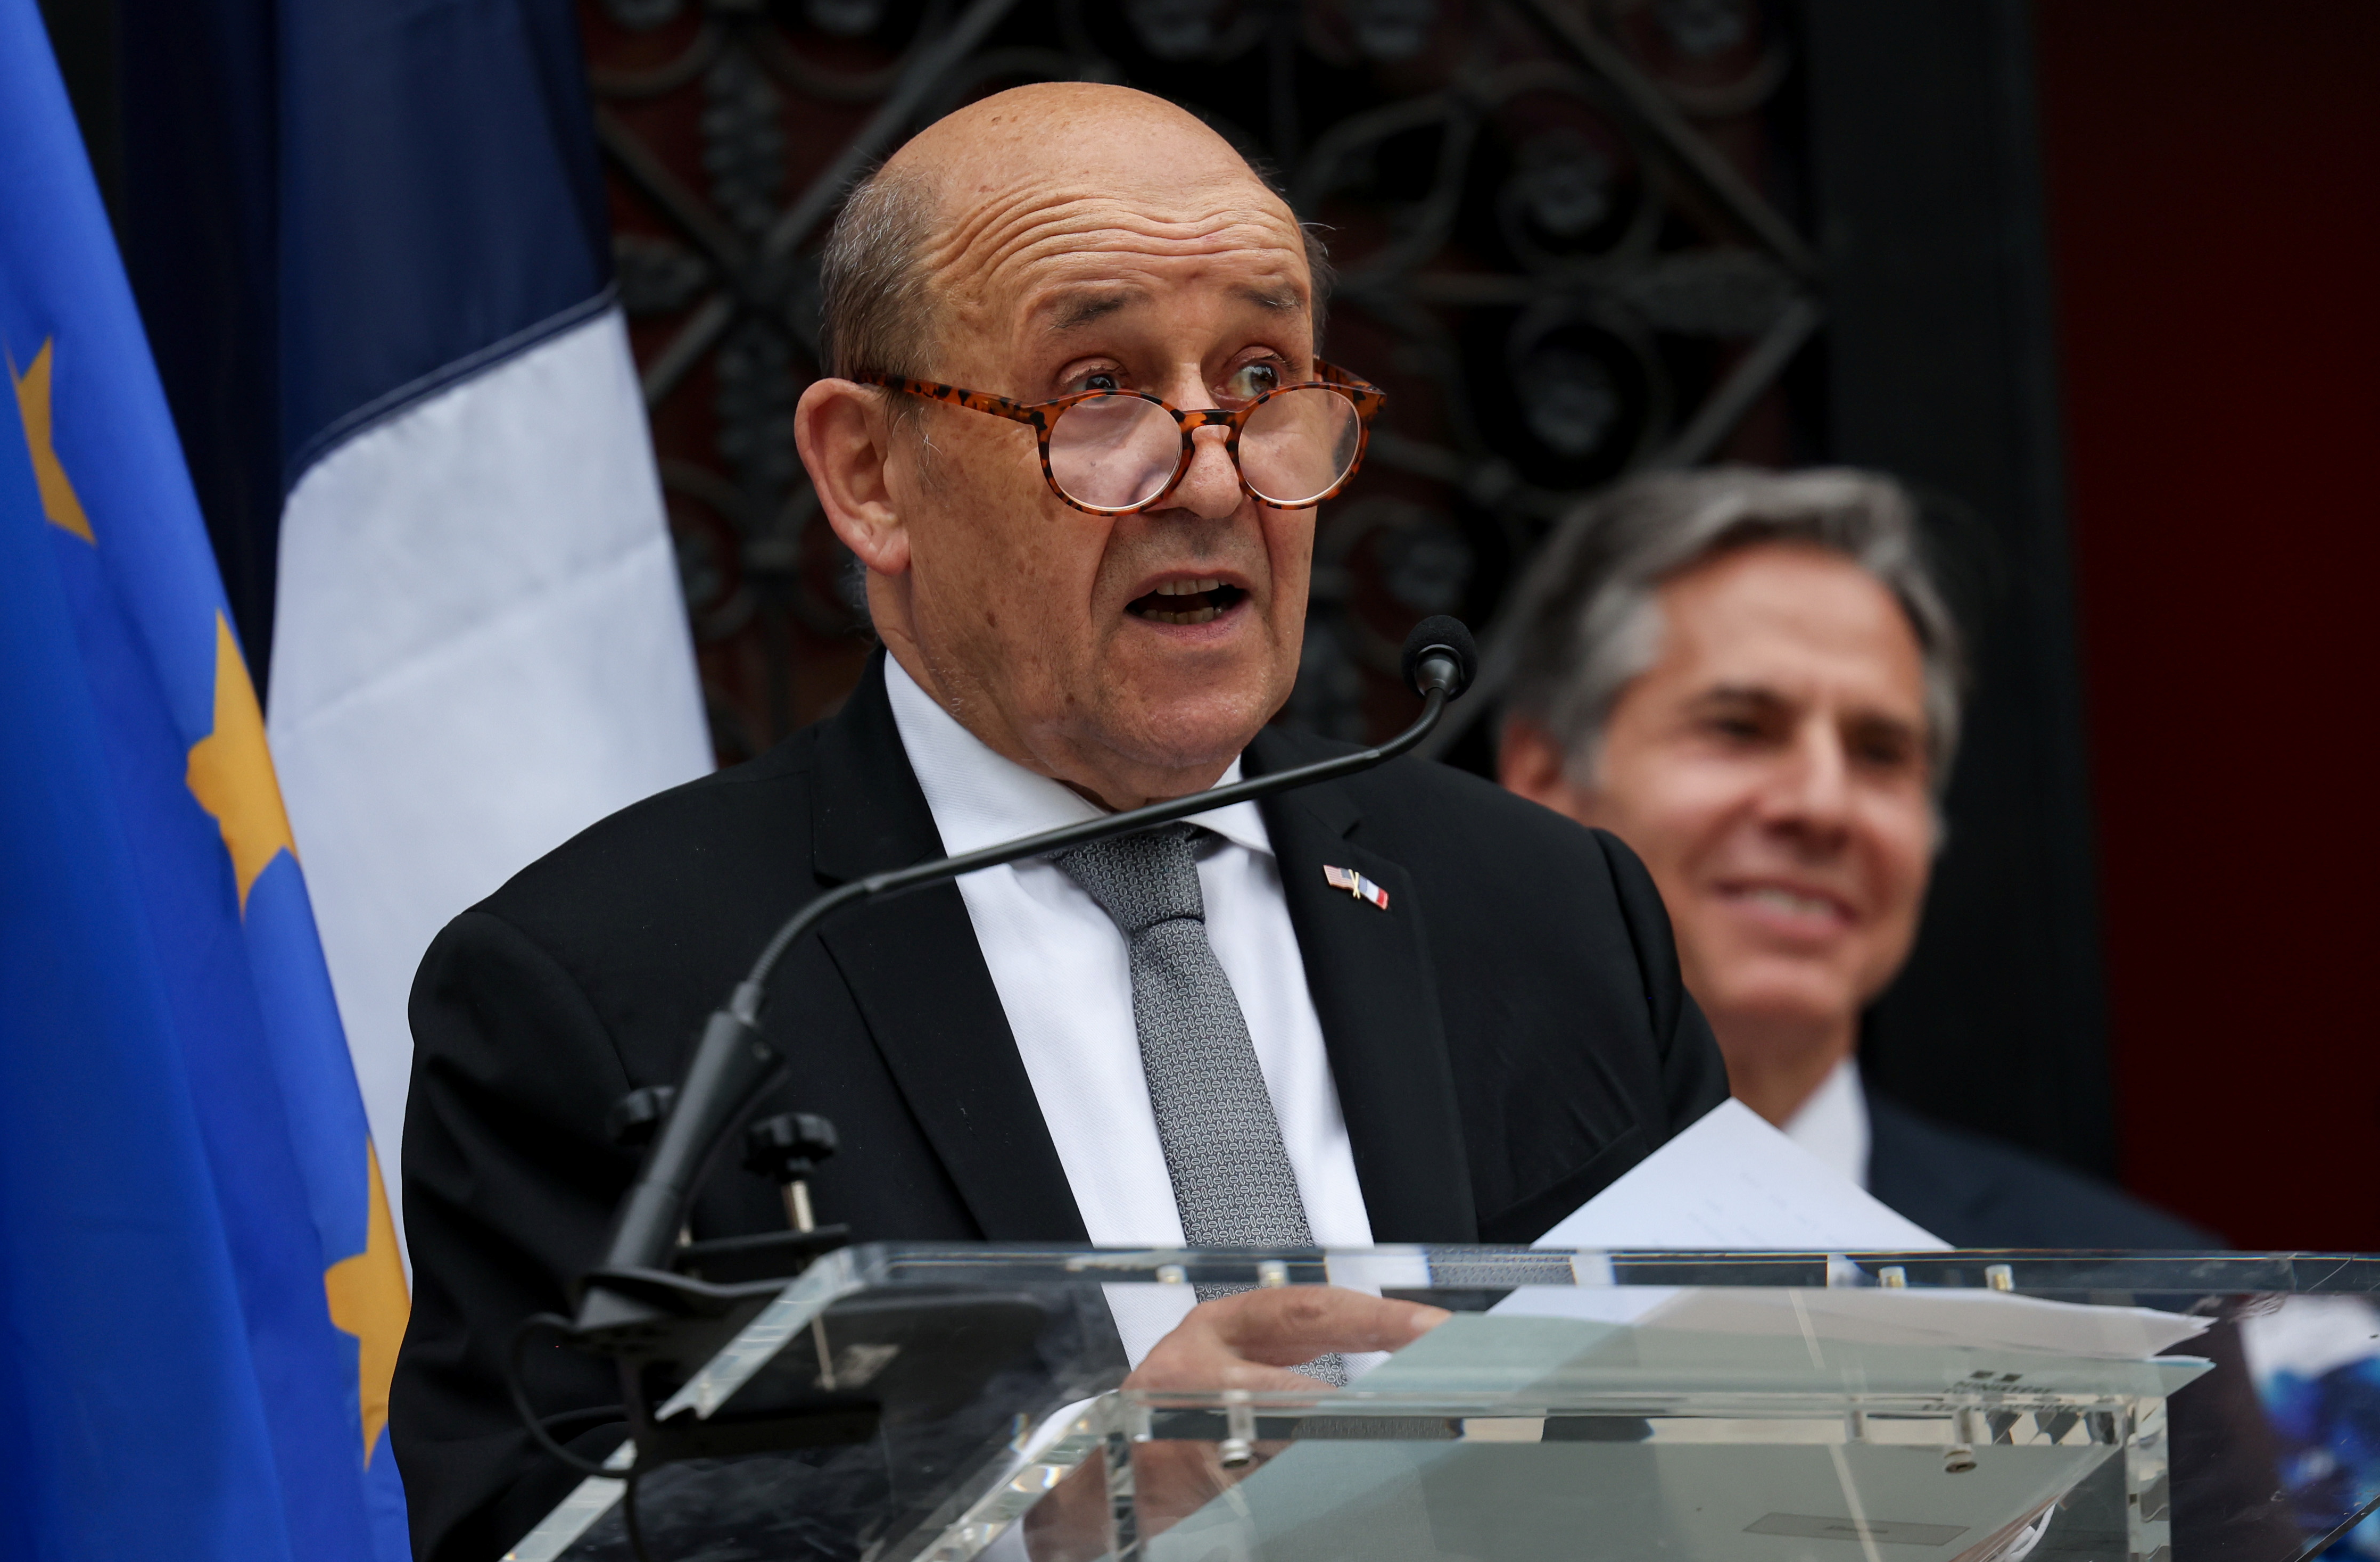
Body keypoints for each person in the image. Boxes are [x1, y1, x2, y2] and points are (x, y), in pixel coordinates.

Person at [391, 83, 1725, 1561]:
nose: (1212, 472)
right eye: (1097, 389)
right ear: (866, 472)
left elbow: (1734, 1425)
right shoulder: (618, 986)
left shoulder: (1548, 911)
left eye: (1265, 375)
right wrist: (1043, 1515)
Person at [1495, 466, 2214, 1250]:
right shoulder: (1372, 1217)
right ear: (1546, 775)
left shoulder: (2140, 1297)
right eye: (1740, 727)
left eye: (1880, 752)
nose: (1823, 805)